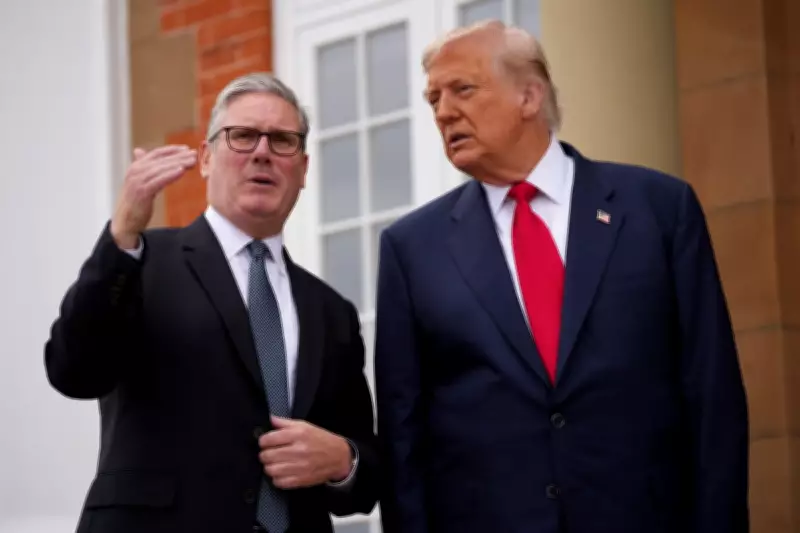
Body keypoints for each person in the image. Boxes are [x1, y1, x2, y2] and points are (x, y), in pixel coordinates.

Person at [374, 20, 748, 533]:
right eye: (434, 98)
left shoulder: (659, 209)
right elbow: (402, 440)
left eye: (463, 89)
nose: (443, 112)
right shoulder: (412, 249)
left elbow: (713, 397)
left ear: (529, 96)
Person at [44, 72, 379, 533]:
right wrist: (121, 234)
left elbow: (363, 479)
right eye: (242, 136)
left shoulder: (331, 312)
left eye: (282, 140)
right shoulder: (140, 261)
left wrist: (343, 460)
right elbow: (74, 371)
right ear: (206, 158)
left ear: (303, 169)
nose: (262, 152)